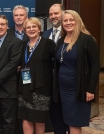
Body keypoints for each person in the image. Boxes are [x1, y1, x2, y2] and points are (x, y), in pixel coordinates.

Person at [54, 10, 100, 134]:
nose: (68, 23)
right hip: (62, 89)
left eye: (71, 20)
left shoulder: (87, 39)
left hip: (78, 90)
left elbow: (95, 66)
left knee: (74, 122)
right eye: (65, 20)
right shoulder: (61, 40)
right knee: (65, 121)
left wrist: (90, 89)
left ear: (77, 21)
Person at [17, 17, 55, 134]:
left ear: (39, 29)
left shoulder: (48, 44)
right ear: (25, 30)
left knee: (39, 120)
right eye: (28, 27)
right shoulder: (23, 45)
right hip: (24, 88)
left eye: (34, 27)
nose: (31, 29)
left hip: (41, 89)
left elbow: (56, 64)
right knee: (26, 118)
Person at [41, 4, 69, 134]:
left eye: (56, 13)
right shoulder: (45, 34)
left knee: (67, 116)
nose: (53, 16)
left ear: (63, 13)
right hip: (49, 83)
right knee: (55, 116)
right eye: (51, 14)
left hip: (65, 82)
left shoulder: (70, 34)